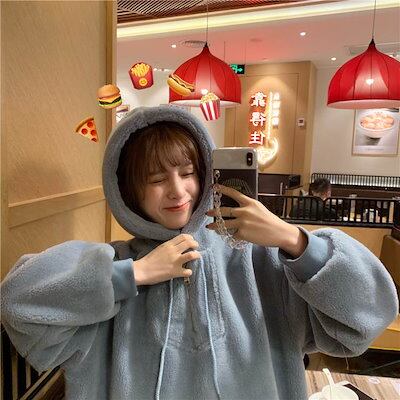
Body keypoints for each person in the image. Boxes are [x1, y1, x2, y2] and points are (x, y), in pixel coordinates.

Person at [1, 106, 398, 400]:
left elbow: (368, 314)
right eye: (157, 179)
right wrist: (134, 274)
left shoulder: (259, 261)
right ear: (130, 191)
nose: (177, 191)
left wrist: (294, 239)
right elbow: (18, 302)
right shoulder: (117, 267)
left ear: (206, 175)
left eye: (188, 173)